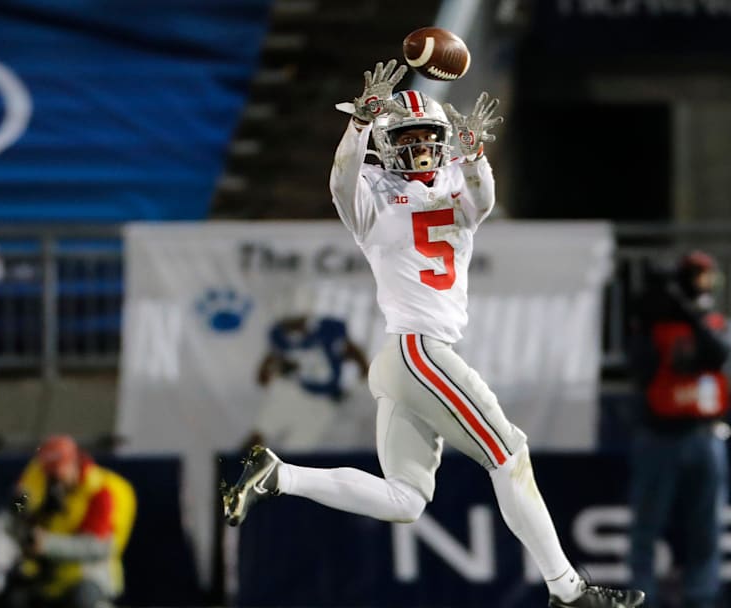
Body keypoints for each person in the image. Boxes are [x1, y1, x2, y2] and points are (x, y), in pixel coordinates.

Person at [221, 60, 645, 607]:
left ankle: (280, 476)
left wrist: (474, 153)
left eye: (428, 136)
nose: (420, 146)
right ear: (386, 143)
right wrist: (359, 125)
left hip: (407, 359)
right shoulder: (373, 198)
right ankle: (569, 592)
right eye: (407, 137)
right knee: (509, 453)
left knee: (406, 500)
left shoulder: (454, 186)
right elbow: (341, 182)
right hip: (417, 350)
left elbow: (482, 199)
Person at [626, 251, 730, 608]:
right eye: (698, 276)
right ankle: (642, 597)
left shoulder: (713, 323)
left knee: (706, 527)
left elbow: (717, 354)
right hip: (660, 436)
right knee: (646, 526)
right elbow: (641, 368)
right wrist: (649, 317)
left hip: (705, 434)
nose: (705, 284)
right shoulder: (654, 325)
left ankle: (702, 597)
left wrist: (689, 315)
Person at [0, 435, 136, 608]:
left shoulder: (99, 492)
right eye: (50, 472)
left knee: (83, 600)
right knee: (13, 598)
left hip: (86, 575)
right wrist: (21, 514)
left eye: (58, 471)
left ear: (74, 463)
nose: (55, 479)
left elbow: (98, 547)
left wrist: (46, 544)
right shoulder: (38, 479)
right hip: (45, 574)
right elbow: (15, 512)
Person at [244, 314, 370, 450]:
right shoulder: (287, 342)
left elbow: (353, 352)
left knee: (297, 449)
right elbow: (272, 358)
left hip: (321, 404)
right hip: (294, 393)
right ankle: (240, 462)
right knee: (260, 435)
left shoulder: (328, 336)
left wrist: (363, 370)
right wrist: (266, 370)